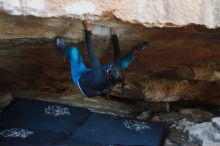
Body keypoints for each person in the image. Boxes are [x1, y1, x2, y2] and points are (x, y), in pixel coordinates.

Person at [55, 21, 149, 97]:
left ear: (108, 73)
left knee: (73, 51)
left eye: (110, 68)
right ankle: (133, 51)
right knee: (122, 64)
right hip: (95, 77)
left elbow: (91, 53)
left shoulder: (99, 75)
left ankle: (63, 51)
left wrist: (87, 30)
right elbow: (117, 53)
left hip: (81, 78)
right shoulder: (116, 73)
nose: (111, 66)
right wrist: (114, 34)